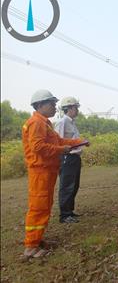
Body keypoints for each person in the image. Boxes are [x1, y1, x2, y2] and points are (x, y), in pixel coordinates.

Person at [22, 90, 87, 258]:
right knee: (38, 207)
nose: (54, 106)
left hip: (48, 170)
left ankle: (38, 239)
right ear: (40, 105)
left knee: (45, 206)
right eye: (51, 103)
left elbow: (60, 141)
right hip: (40, 171)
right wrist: (61, 150)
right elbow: (38, 147)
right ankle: (30, 246)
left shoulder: (45, 123)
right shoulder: (36, 123)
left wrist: (79, 142)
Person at [55, 97, 85, 224]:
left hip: (75, 157)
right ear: (69, 108)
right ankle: (64, 215)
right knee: (67, 186)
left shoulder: (72, 123)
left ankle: (70, 211)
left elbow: (73, 140)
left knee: (74, 185)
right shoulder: (62, 122)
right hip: (67, 157)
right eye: (75, 107)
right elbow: (58, 141)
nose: (77, 110)